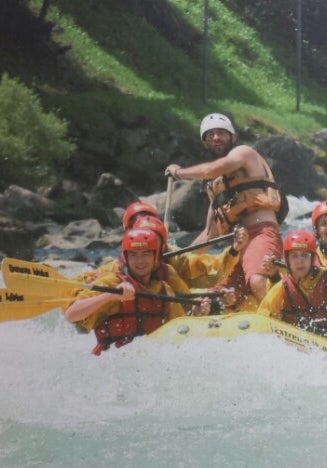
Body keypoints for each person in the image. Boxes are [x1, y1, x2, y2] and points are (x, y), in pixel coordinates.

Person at [164, 112, 283, 303]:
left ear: (233, 137)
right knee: (217, 297)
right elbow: (209, 235)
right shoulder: (216, 187)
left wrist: (179, 172)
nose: (216, 138)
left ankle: (289, 321)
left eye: (221, 132)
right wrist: (177, 258)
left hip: (262, 233)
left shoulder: (244, 153)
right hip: (238, 246)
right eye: (210, 135)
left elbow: (209, 169)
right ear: (205, 142)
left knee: (257, 280)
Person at [64, 228, 211, 355]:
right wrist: (109, 296)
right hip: (110, 364)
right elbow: (71, 315)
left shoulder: (164, 290)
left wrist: (197, 314)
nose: (140, 261)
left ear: (155, 257)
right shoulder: (112, 283)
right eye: (133, 255)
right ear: (126, 258)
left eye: (146, 254)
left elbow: (179, 329)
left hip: (146, 364)